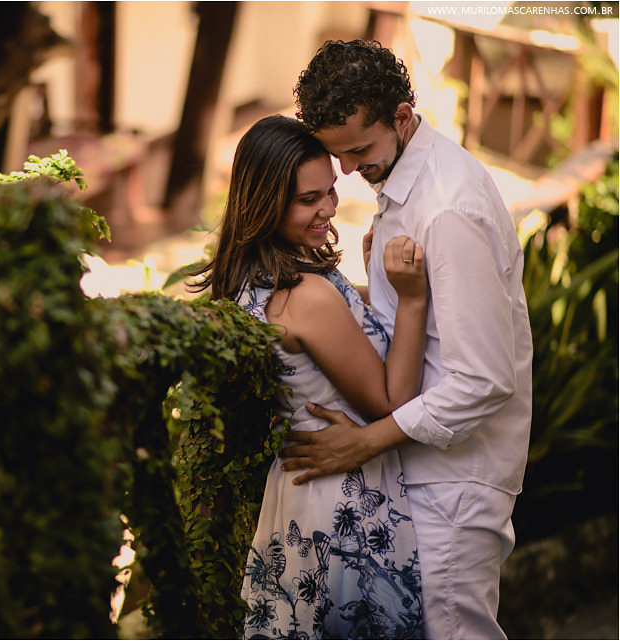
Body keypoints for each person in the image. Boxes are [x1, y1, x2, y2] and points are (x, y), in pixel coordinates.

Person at [287, 40, 533, 640]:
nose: (347, 170)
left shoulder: (447, 210)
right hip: (423, 469)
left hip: (454, 481)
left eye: (358, 151)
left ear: (401, 117)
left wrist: (364, 443)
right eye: (336, 155)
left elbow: (482, 379)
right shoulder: (407, 183)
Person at [193, 114, 428, 639]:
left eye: (329, 191)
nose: (326, 209)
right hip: (346, 498)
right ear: (265, 201)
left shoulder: (253, 276)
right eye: (307, 200)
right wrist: (410, 300)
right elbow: (390, 403)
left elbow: (331, 334)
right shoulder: (305, 295)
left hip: (297, 497)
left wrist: (369, 288)